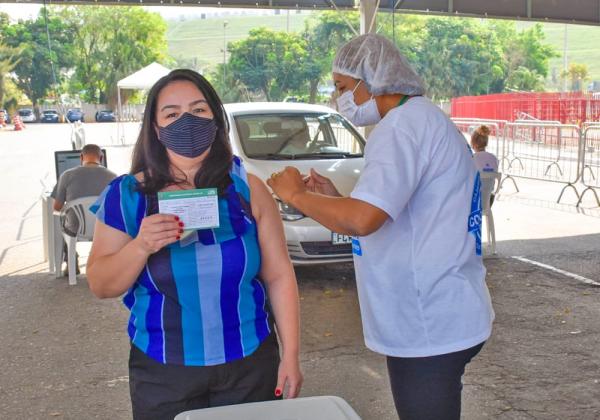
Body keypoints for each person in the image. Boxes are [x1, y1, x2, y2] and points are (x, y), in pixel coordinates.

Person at [267, 34, 494, 420]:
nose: (338, 98)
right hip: (446, 308)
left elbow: (363, 220)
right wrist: (337, 198)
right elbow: (398, 211)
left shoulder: (400, 128)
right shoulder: (423, 119)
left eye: (342, 87)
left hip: (428, 320)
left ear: (371, 79)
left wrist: (296, 195)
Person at [86, 69, 302, 420]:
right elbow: (100, 283)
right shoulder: (126, 196)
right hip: (163, 371)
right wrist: (141, 245)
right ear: (155, 129)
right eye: (171, 113)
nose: (187, 121)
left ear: (216, 117)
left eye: (199, 110)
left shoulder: (249, 189)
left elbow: (278, 276)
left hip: (251, 364)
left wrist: (291, 355)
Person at [52, 144, 116, 274]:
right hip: (104, 228)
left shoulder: (67, 175)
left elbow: (57, 207)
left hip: (75, 229)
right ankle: (103, 260)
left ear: (81, 157)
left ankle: (70, 260)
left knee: (61, 219)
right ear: (101, 158)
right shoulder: (113, 177)